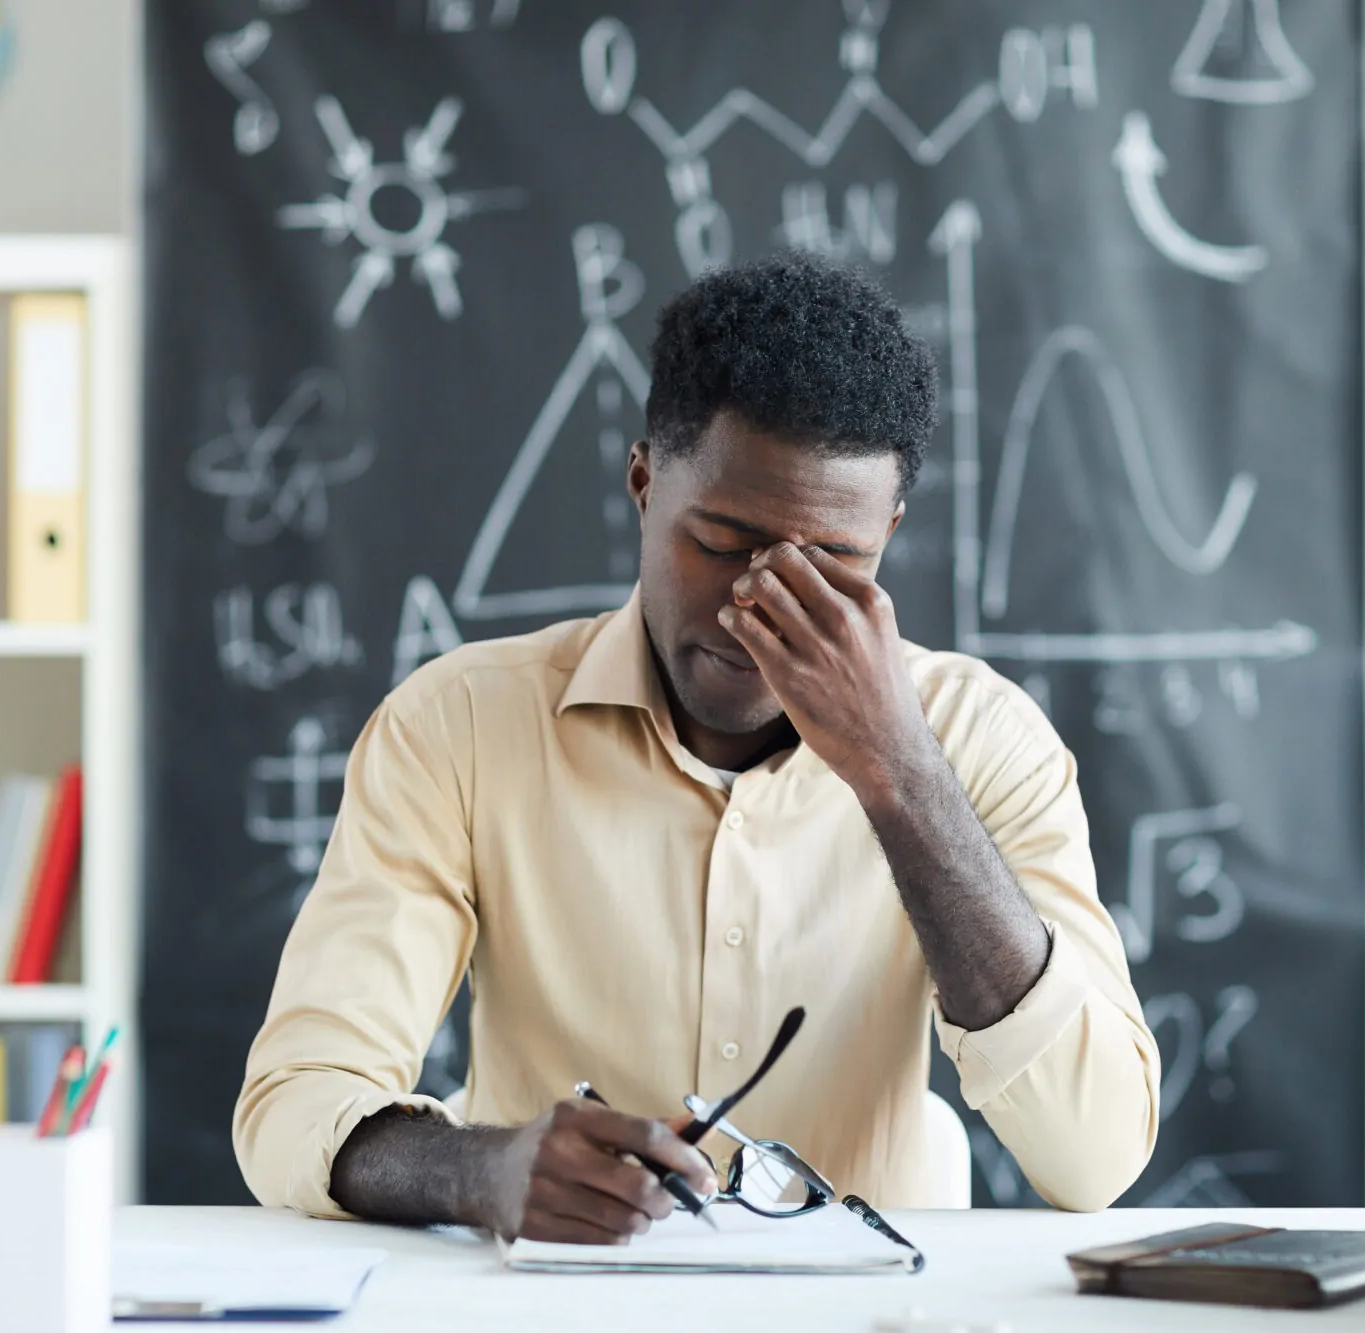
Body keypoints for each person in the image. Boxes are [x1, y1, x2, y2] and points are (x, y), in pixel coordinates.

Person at [234, 251, 1160, 1242]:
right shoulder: (458, 726)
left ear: (887, 532)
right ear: (642, 482)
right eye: (720, 543)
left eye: (834, 563)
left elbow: (1092, 1154)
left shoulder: (982, 741)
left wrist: (898, 768)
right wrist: (481, 1168)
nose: (760, 602)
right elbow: (294, 1107)